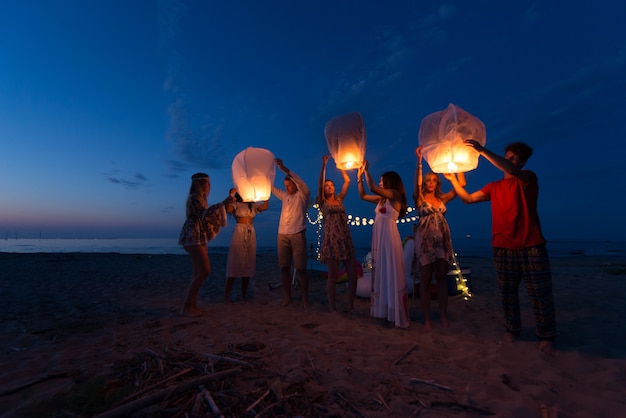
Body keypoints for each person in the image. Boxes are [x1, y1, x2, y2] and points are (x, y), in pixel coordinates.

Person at [444, 140, 557, 356]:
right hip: (502, 246)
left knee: (540, 294)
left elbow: (512, 170)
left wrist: (481, 150)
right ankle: (512, 330)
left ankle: (546, 336)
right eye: (508, 156)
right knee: (507, 293)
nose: (510, 160)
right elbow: (467, 199)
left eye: (515, 158)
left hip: (531, 244)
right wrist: (453, 181)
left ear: (522, 162)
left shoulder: (528, 179)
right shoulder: (494, 187)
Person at [414, 146, 465, 331]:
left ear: (437, 183)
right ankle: (427, 319)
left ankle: (443, 315)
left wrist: (459, 166)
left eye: (434, 180)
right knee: (426, 280)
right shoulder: (419, 198)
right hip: (426, 242)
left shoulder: (442, 198)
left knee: (442, 278)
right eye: (428, 180)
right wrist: (419, 161)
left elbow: (462, 187)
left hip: (442, 241)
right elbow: (416, 185)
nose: (431, 183)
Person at [357, 161, 409, 328]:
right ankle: (384, 310)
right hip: (380, 237)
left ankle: (394, 312)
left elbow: (372, 188)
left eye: (382, 180)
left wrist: (366, 171)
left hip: (389, 236)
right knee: (382, 272)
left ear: (389, 182)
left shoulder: (394, 194)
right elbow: (363, 195)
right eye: (379, 180)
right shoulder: (382, 199)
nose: (380, 182)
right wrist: (359, 179)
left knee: (390, 271)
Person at [178, 173, 231, 317]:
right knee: (204, 271)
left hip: (196, 237)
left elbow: (206, 215)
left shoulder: (198, 198)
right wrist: (223, 204)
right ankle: (187, 307)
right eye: (208, 183)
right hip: (193, 237)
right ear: (202, 184)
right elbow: (206, 215)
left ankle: (192, 306)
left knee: (198, 272)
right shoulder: (195, 198)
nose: (210, 186)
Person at [316, 155, 358, 314]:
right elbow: (320, 184)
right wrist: (324, 165)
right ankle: (332, 306)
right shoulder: (322, 202)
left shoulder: (339, 200)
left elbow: (347, 182)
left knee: (352, 274)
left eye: (331, 185)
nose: (329, 187)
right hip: (331, 240)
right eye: (327, 185)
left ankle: (350, 305)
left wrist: (341, 166)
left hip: (345, 239)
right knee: (332, 275)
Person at [271, 158, 311, 308]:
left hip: (298, 233)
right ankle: (288, 297)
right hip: (282, 234)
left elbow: (300, 181)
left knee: (301, 268)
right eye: (285, 186)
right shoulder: (285, 196)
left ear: (295, 184)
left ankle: (305, 299)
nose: (287, 188)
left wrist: (282, 168)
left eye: (289, 185)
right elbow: (271, 187)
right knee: (284, 267)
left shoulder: (303, 195)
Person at [224, 188, 269, 302]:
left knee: (248, 264)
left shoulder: (252, 205)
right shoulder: (236, 203)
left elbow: (264, 207)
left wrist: (266, 196)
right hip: (239, 231)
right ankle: (227, 296)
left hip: (250, 232)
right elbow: (228, 209)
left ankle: (243, 295)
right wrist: (230, 195)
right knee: (235, 262)